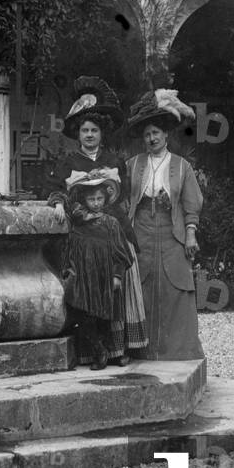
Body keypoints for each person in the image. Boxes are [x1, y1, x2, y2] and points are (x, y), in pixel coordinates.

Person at [45, 76, 148, 365]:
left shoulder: (115, 161)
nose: (89, 135)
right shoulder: (68, 162)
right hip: (84, 237)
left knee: (117, 288)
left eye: (94, 130)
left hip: (113, 233)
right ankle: (93, 349)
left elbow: (124, 194)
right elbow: (53, 189)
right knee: (88, 290)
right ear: (78, 134)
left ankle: (119, 349)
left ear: (102, 134)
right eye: (84, 130)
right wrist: (57, 202)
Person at [124, 89, 205, 361]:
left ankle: (178, 351)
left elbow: (191, 203)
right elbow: (123, 200)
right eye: (147, 134)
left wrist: (191, 234)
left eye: (156, 133)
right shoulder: (133, 165)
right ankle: (141, 351)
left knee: (176, 286)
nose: (152, 138)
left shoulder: (182, 167)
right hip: (141, 230)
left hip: (173, 231)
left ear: (166, 135)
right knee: (140, 284)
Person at [61, 170, 134, 370]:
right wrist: (68, 270)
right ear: (84, 199)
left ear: (106, 198)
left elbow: (121, 253)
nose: (96, 203)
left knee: (102, 316)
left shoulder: (110, 223)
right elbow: (70, 249)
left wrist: (117, 275)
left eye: (100, 198)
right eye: (91, 199)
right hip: (83, 277)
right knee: (83, 313)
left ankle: (103, 353)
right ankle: (97, 349)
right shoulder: (78, 224)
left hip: (103, 277)